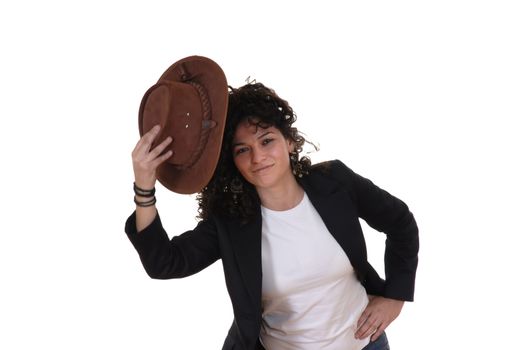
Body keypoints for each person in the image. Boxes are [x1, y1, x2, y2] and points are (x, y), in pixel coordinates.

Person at [126, 81, 419, 350]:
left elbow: (401, 223)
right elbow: (164, 263)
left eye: (267, 141)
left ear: (289, 141)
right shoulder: (231, 222)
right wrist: (144, 187)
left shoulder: (335, 182)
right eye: (243, 150)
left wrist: (396, 297)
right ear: (234, 161)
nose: (257, 157)